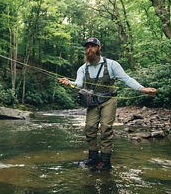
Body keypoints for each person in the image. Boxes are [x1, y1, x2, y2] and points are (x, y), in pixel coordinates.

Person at [58, 37, 157, 171]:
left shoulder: (112, 64)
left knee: (105, 129)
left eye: (92, 46)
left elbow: (126, 79)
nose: (89, 49)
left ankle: (105, 161)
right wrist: (69, 83)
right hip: (93, 102)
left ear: (99, 48)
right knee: (90, 129)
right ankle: (93, 158)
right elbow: (78, 84)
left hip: (109, 100)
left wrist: (143, 89)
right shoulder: (83, 68)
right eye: (87, 47)